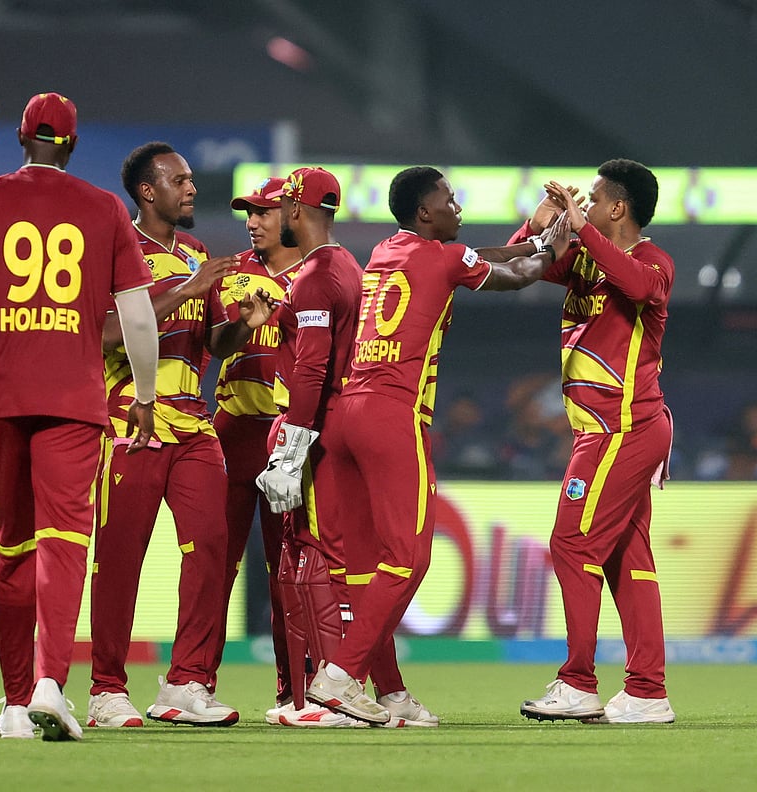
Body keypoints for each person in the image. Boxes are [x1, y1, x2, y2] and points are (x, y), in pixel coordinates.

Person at [0, 92, 160, 743]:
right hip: (73, 401)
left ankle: (16, 702)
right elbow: (136, 313)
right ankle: (50, 681)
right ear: (71, 145)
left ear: (21, 138)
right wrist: (145, 395)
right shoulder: (104, 208)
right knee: (65, 541)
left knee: (13, 549)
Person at [300, 165, 571, 723]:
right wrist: (555, 244)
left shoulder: (386, 252)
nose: (458, 206)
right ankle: (340, 677)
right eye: (449, 198)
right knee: (408, 558)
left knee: (364, 568)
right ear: (426, 212)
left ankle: (390, 692)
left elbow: (477, 256)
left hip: (347, 413)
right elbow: (519, 276)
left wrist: (532, 236)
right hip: (392, 415)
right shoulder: (444, 259)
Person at [87, 141, 275, 729]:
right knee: (121, 557)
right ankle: (106, 690)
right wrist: (189, 290)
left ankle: (186, 682)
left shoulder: (195, 252)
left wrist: (243, 326)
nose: (192, 188)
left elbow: (212, 342)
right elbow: (104, 333)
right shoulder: (116, 248)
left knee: (212, 551)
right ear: (148, 192)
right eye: (180, 180)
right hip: (132, 421)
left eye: (192, 179)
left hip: (194, 422)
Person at [255, 167, 430, 729]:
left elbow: (311, 369)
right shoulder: (348, 267)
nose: (267, 218)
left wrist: (290, 452)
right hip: (348, 424)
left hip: (320, 434)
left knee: (322, 564)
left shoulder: (315, 277)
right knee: (353, 565)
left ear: (295, 210)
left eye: (275, 208)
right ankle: (388, 691)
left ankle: (331, 695)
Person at [517, 160, 677, 724]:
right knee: (627, 559)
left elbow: (637, 286)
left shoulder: (653, 261)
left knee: (572, 545)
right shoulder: (586, 257)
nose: (584, 204)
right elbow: (524, 265)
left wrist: (581, 227)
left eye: (595, 197)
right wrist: (541, 221)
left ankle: (578, 683)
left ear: (618, 208)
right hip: (608, 429)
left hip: (621, 427)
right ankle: (647, 692)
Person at [214, 177, 302, 722]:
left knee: (288, 570)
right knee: (213, 565)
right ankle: (193, 682)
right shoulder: (232, 274)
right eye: (248, 213)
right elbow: (216, 341)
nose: (252, 221)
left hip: (291, 437)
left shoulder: (319, 273)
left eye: (263, 211)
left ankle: (297, 691)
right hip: (233, 431)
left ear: (291, 214)